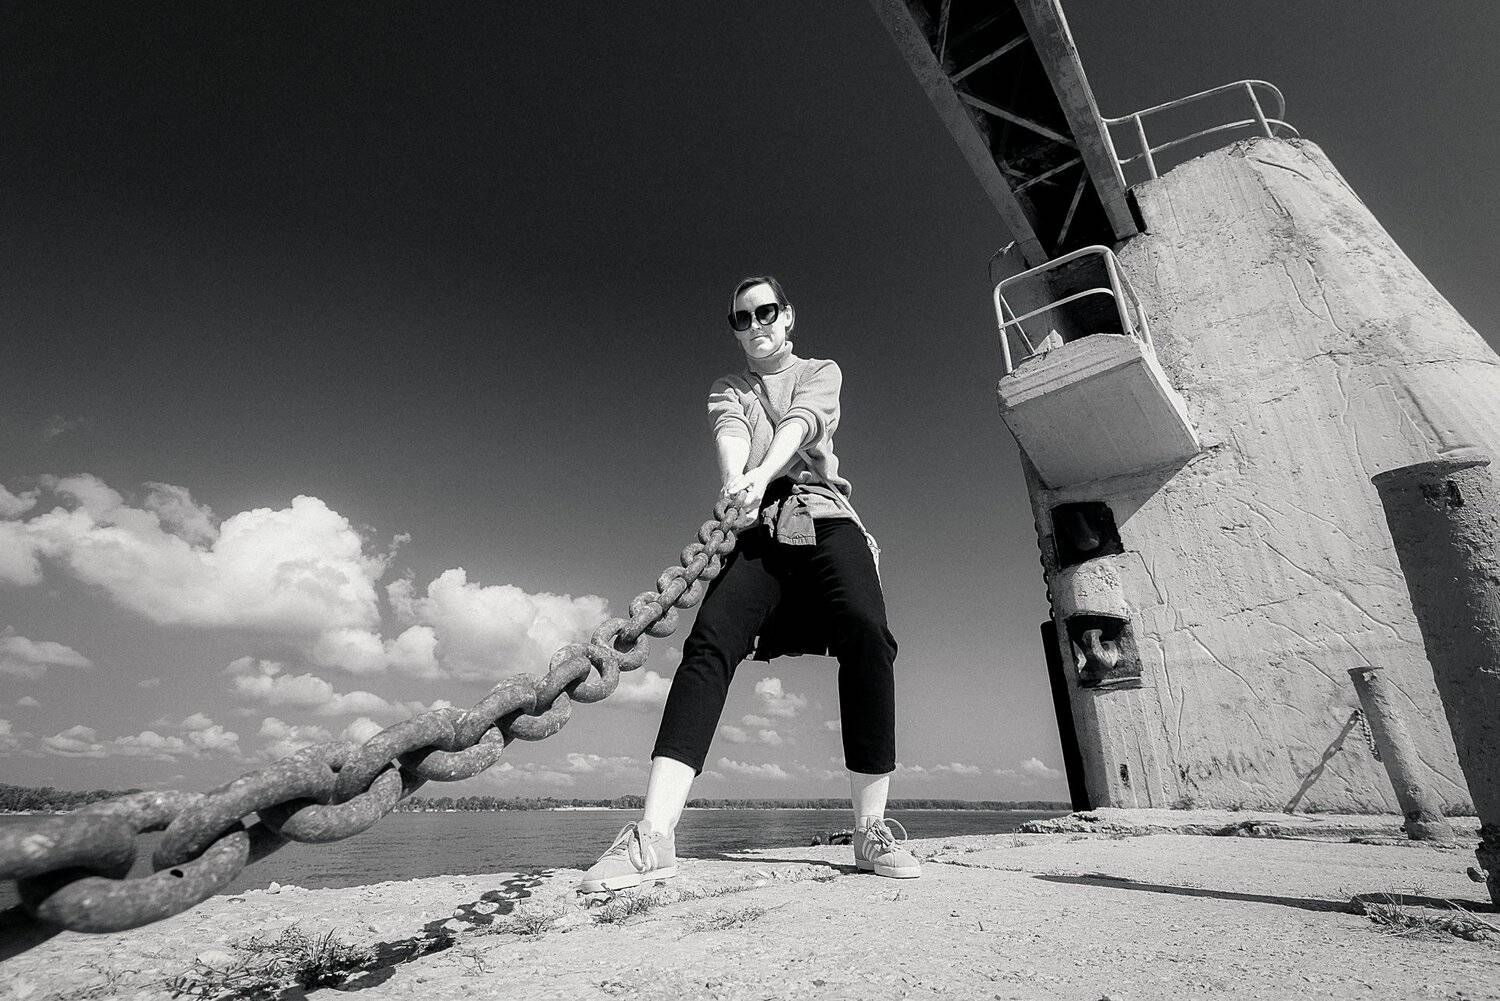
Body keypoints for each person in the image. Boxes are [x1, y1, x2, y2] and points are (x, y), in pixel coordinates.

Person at [579, 275, 917, 893]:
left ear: (788, 317)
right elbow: (730, 433)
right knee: (709, 643)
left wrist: (762, 475)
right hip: (755, 525)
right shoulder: (727, 388)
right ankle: (654, 835)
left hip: (823, 512)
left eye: (766, 312)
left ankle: (871, 830)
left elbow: (803, 423)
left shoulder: (821, 370)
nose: (755, 324)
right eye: (742, 317)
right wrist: (739, 481)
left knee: (868, 632)